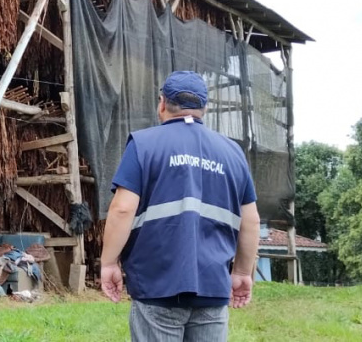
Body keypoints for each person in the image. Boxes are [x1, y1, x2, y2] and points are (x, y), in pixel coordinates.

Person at [100, 71, 260, 341]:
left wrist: (108, 263)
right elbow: (251, 221)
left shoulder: (143, 144)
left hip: (157, 287)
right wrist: (243, 272)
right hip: (212, 288)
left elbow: (122, 209)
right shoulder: (233, 153)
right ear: (204, 108)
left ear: (162, 103)